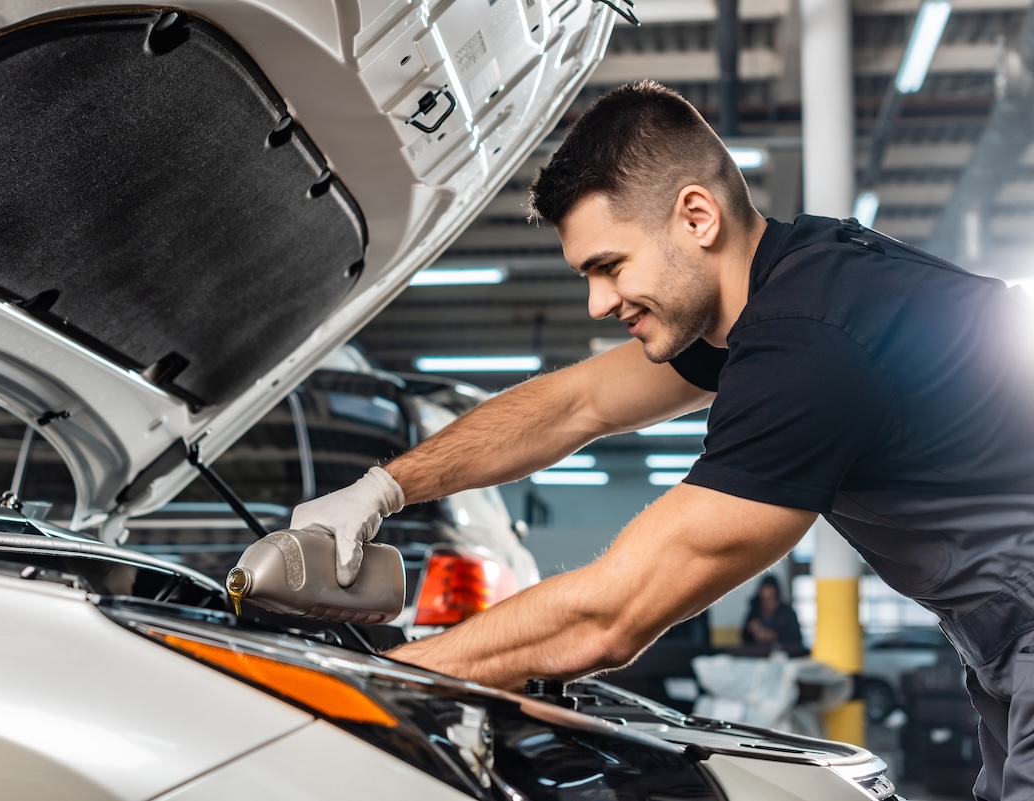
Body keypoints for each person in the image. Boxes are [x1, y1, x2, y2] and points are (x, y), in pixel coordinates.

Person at [289, 80, 1034, 800]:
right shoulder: (785, 279)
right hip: (1002, 641)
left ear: (697, 216)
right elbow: (576, 404)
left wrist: (362, 690)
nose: (597, 301)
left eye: (609, 266)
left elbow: (610, 616)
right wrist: (383, 488)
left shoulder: (810, 345)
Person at [741, 574, 802, 648]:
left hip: (783, 652)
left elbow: (796, 638)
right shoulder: (754, 612)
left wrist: (774, 636)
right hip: (758, 652)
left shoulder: (787, 612)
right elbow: (744, 638)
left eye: (769, 597)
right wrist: (751, 630)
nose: (767, 601)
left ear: (776, 593)